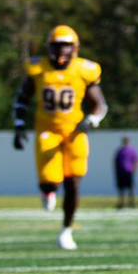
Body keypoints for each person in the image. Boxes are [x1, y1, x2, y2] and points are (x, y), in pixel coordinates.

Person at [13, 25, 107, 250]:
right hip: (47, 130)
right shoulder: (38, 68)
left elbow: (100, 105)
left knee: (74, 182)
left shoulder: (84, 69)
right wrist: (18, 125)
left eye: (65, 45)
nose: (61, 51)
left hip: (74, 131)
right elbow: (22, 99)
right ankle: (47, 190)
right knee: (49, 180)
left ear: (74, 48)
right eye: (57, 46)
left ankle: (66, 230)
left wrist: (93, 120)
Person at [114, 138, 138, 209]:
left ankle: (132, 202)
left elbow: (136, 160)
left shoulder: (132, 150)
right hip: (121, 172)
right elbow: (116, 161)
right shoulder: (120, 150)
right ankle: (122, 203)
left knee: (131, 188)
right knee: (122, 188)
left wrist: (134, 169)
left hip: (129, 171)